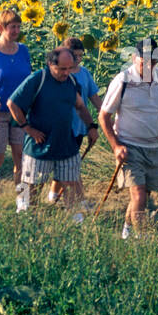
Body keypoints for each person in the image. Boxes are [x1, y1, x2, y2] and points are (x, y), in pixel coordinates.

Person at [7, 45, 98, 215]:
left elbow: (80, 106)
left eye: (69, 68)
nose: (66, 73)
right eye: (62, 69)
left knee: (70, 182)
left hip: (65, 144)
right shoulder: (38, 79)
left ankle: (75, 220)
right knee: (31, 183)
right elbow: (12, 103)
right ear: (50, 64)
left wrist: (91, 126)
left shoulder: (71, 81)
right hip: (39, 145)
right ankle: (25, 213)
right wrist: (28, 128)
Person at [100, 36, 158, 240]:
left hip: (155, 147)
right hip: (129, 147)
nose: (149, 66)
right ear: (134, 58)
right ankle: (142, 240)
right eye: (144, 62)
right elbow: (104, 116)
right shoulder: (122, 81)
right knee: (138, 194)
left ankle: (127, 231)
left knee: (143, 196)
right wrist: (115, 146)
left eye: (153, 62)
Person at [0, 9, 32, 187]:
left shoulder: (23, 50)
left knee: (22, 158)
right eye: (13, 27)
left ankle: (22, 201)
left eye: (18, 26)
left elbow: (28, 80)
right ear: (1, 27)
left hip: (19, 112)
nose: (17, 31)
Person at [49, 35, 102, 205]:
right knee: (72, 165)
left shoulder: (84, 73)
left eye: (81, 56)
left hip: (80, 126)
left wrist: (104, 114)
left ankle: (53, 195)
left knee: (69, 162)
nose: (78, 59)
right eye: (75, 55)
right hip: (62, 126)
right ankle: (80, 201)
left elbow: (93, 96)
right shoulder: (57, 73)